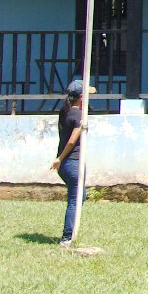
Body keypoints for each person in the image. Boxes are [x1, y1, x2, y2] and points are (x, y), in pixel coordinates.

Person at [49, 79, 88, 247]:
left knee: (80, 196)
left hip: (68, 163)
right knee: (76, 198)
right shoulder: (78, 115)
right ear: (81, 97)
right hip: (71, 162)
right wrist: (60, 158)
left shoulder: (67, 112)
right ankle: (66, 238)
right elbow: (72, 142)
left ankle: (69, 235)